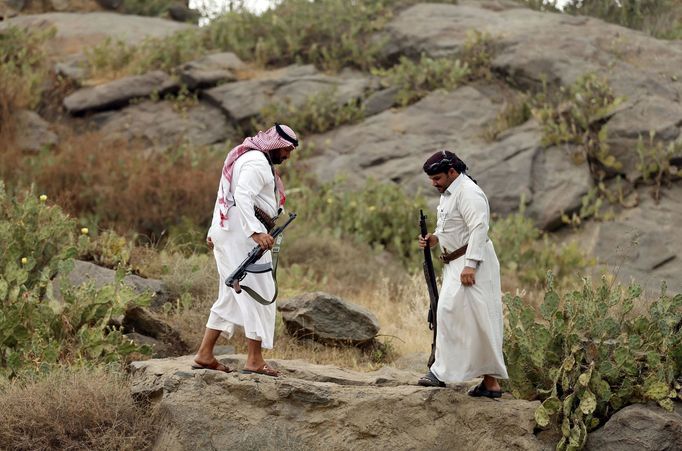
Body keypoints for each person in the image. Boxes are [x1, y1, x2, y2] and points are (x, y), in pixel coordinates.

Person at [192, 124, 298, 377]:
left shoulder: (247, 157)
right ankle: (254, 360)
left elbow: (224, 194)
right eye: (286, 150)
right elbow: (241, 194)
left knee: (231, 294)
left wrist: (214, 229)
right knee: (258, 291)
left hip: (230, 230)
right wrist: (255, 231)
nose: (287, 156)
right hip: (241, 234)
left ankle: (205, 354)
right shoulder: (256, 162)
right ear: (275, 145)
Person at [417, 150, 508, 398]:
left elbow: (479, 228)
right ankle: (490, 384)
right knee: (473, 320)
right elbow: (451, 227)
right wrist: (434, 239)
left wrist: (471, 264)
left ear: (452, 172)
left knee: (452, 312)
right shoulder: (449, 193)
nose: (434, 183)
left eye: (437, 178)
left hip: (472, 263)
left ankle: (440, 373)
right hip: (456, 262)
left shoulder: (468, 192)